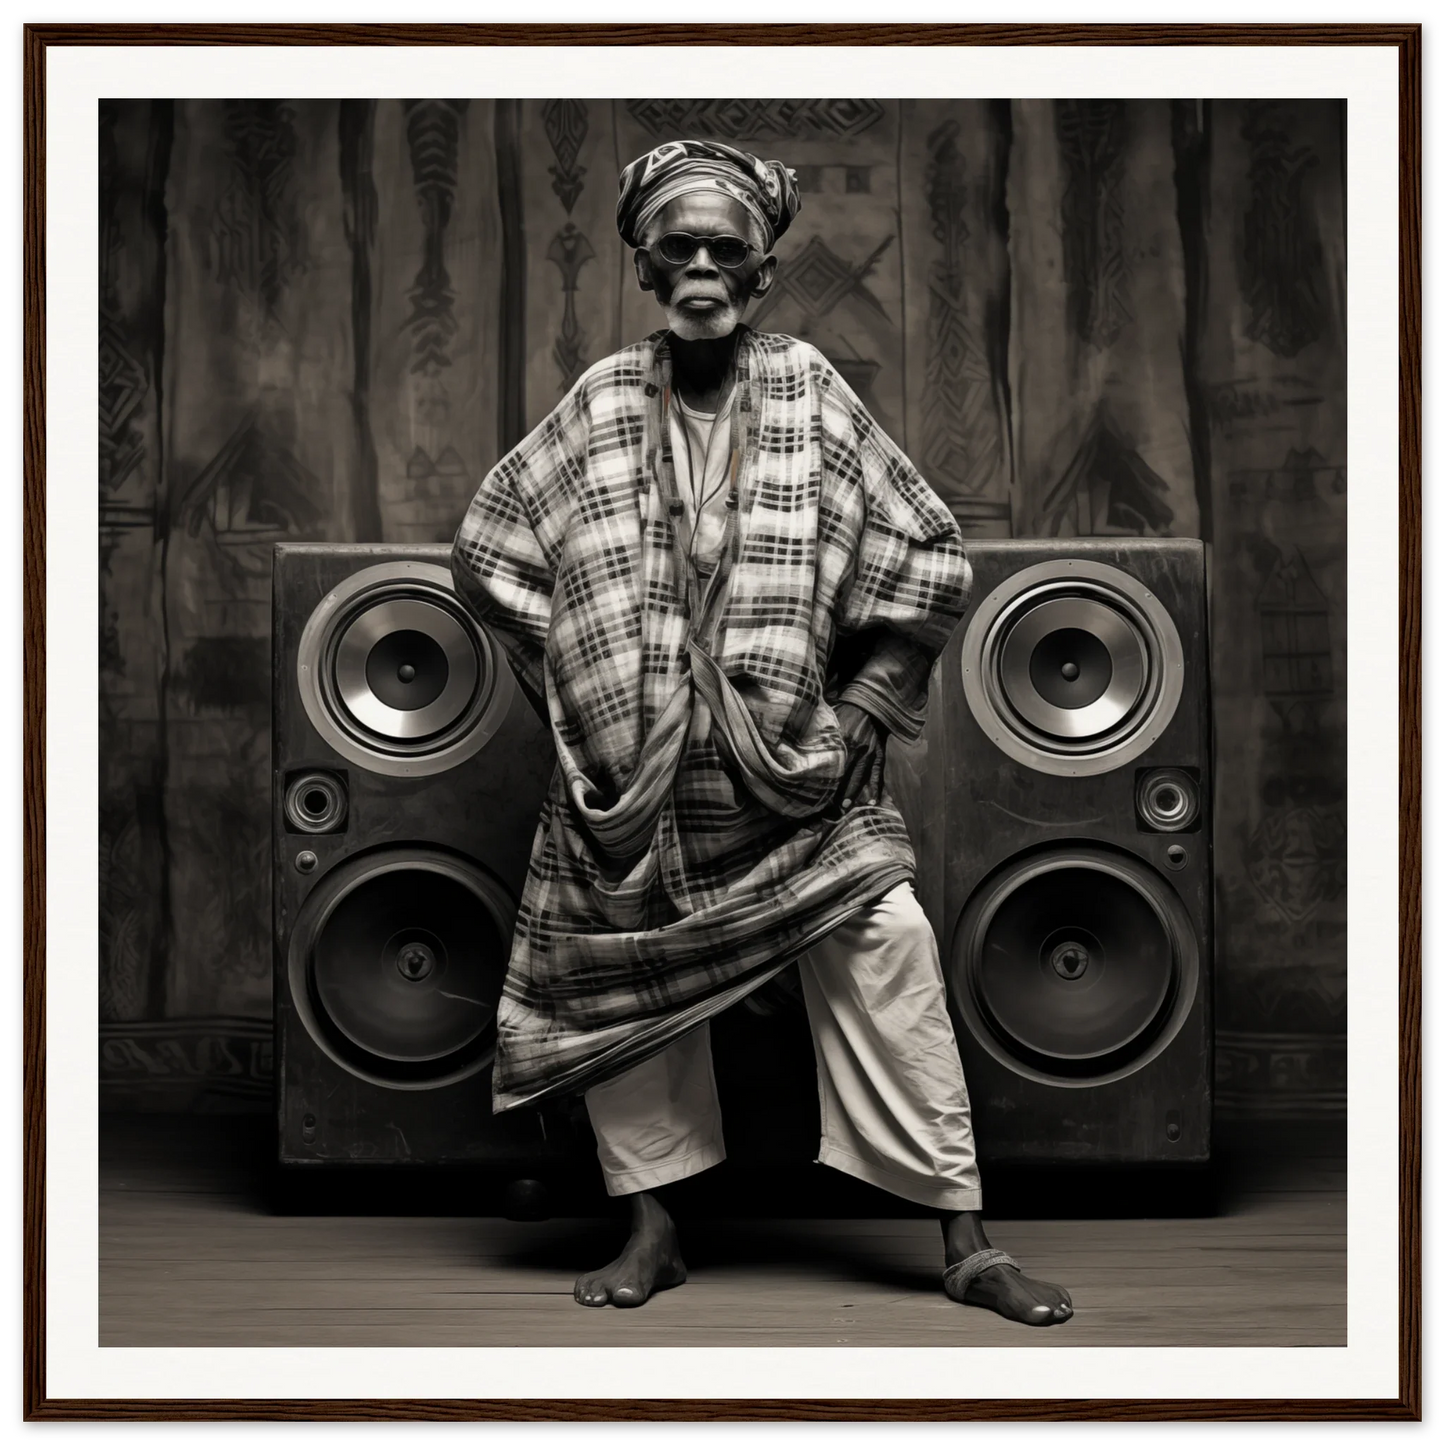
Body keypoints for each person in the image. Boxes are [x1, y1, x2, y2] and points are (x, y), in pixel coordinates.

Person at [452, 139, 1073, 1326]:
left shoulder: (807, 388)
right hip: (626, 803)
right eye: (675, 247)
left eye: (723, 248)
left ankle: (966, 1238)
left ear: (764, 270)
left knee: (888, 946)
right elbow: (491, 548)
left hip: (796, 786)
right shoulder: (597, 399)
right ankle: (653, 1227)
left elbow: (925, 557)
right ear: (641, 267)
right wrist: (586, 685)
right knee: (618, 989)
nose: (699, 266)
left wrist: (857, 710)